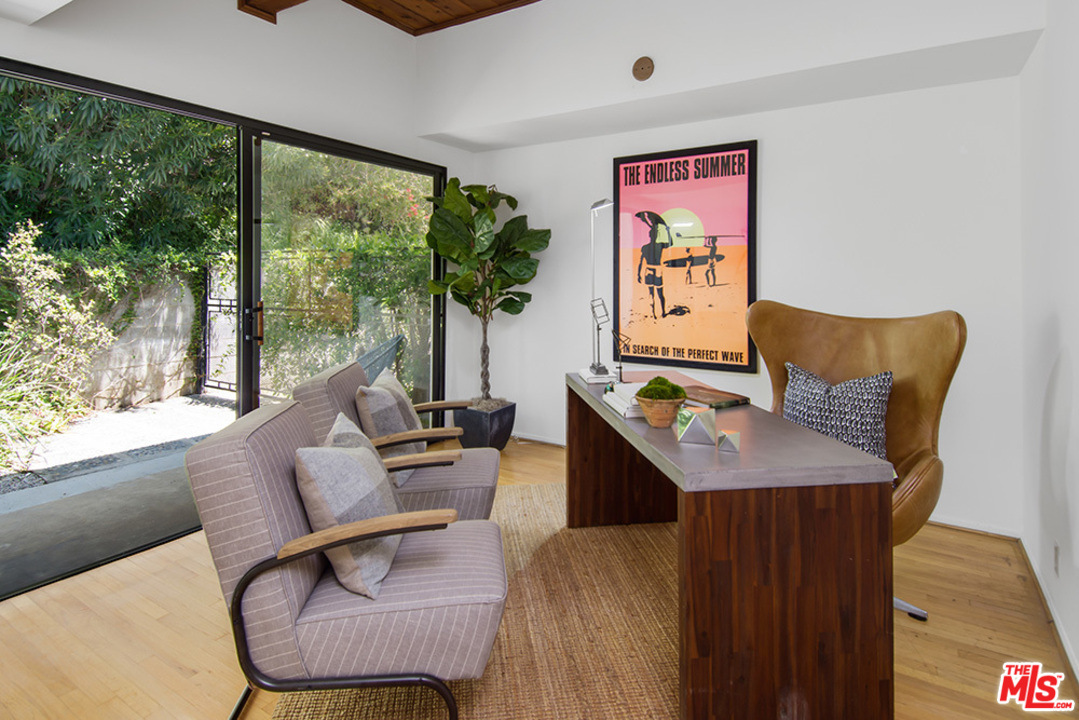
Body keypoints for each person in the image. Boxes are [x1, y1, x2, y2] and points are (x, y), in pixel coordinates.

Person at [635, 211, 672, 319]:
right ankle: (663, 312)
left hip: (648, 270)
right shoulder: (660, 245)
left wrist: (639, 274)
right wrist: (668, 232)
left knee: (651, 294)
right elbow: (671, 243)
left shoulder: (645, 247)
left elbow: (641, 262)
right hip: (657, 269)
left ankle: (654, 314)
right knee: (660, 293)